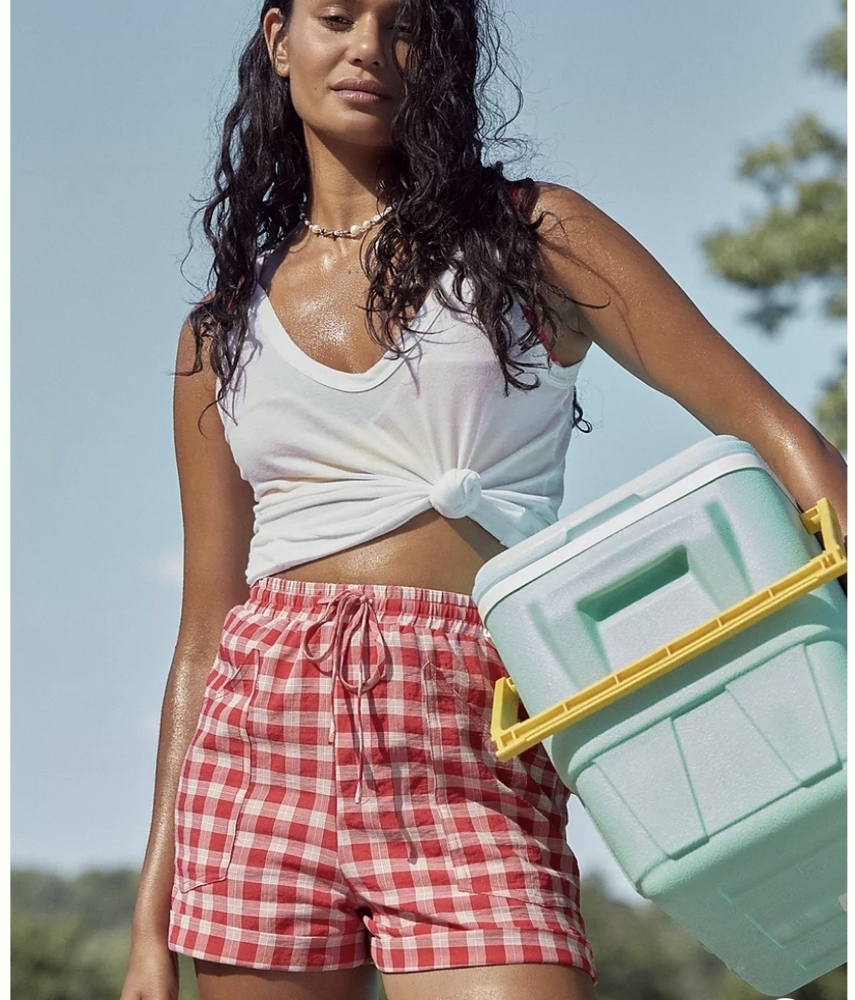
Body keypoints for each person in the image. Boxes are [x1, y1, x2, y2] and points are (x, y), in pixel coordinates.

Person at [121, 1, 848, 998]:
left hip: (476, 727)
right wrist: (151, 924)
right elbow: (204, 631)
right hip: (262, 749)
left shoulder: (532, 235)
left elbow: (783, 437)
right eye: (337, 17)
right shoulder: (217, 334)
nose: (370, 47)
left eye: (405, 24)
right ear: (279, 37)